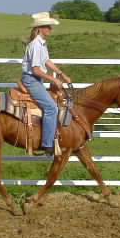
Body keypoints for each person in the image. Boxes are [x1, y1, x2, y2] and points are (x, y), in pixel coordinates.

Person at [21, 12, 72, 156]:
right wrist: (54, 79)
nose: (50, 29)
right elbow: (36, 70)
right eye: (48, 26)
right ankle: (47, 144)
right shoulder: (36, 45)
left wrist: (62, 74)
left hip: (36, 80)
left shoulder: (41, 44)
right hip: (32, 80)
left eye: (50, 26)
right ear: (40, 28)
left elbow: (47, 61)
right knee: (51, 108)